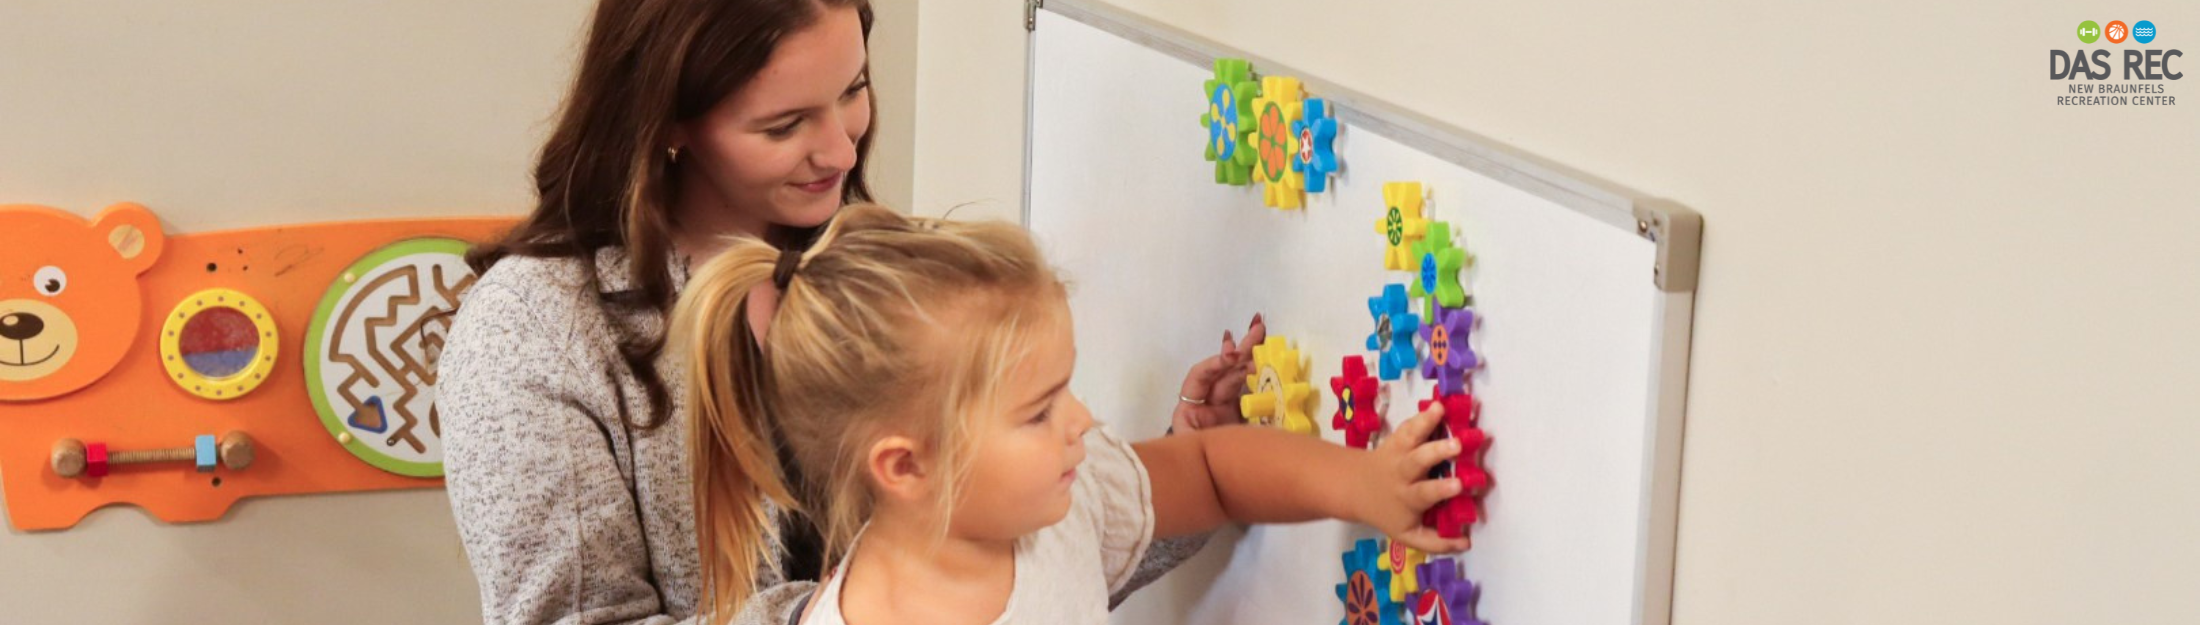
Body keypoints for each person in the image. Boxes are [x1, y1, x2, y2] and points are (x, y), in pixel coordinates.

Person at [438, 1, 1260, 622]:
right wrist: (842, 611)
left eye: (854, 89)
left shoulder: (867, 259)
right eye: (784, 125)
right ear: (670, 124)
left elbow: (1006, 549)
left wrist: (1191, 456)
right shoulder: (531, 336)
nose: (840, 148)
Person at [671, 205, 1471, 624]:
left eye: (1066, 389)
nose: (1080, 419)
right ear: (907, 465)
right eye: (1038, 411)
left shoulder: (1056, 512)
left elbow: (1210, 468)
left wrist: (1364, 483)